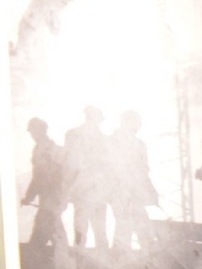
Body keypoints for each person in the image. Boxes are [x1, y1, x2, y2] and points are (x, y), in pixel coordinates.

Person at [104, 110, 153, 250]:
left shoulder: (140, 144)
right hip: (120, 191)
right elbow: (109, 168)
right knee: (124, 224)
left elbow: (144, 169)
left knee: (142, 223)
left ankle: (148, 256)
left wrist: (147, 189)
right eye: (137, 122)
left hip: (136, 191)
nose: (139, 126)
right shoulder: (112, 141)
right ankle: (120, 258)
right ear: (126, 122)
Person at [61, 105, 104, 248]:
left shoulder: (101, 138)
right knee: (83, 230)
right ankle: (79, 262)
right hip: (84, 188)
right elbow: (70, 163)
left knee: (96, 231)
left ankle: (86, 259)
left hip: (96, 190)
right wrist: (67, 188)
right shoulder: (74, 134)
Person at [22, 117, 64, 245]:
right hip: (46, 195)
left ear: (42, 131)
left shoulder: (51, 149)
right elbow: (37, 176)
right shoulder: (38, 149)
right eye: (32, 132)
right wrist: (29, 196)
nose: (33, 135)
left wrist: (29, 196)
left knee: (45, 226)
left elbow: (45, 175)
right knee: (53, 228)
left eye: (34, 131)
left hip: (52, 195)